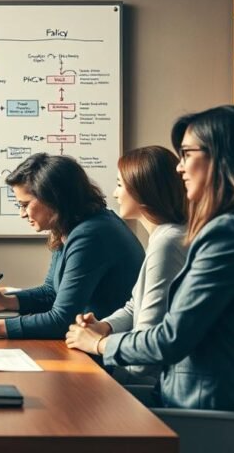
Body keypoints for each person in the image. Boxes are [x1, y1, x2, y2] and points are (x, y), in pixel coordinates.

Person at [66, 105, 234, 412]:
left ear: (223, 158)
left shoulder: (229, 236)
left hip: (194, 406)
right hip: (197, 397)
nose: (179, 168)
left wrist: (99, 344)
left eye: (186, 154)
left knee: (68, 405)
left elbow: (171, 339)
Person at [0, 153, 143, 339]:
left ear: (53, 198)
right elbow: (51, 292)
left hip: (106, 354)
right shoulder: (71, 225)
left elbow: (61, 320)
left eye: (25, 204)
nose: (22, 214)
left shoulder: (91, 235)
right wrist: (6, 301)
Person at [65, 146, 187, 385]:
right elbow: (136, 306)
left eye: (120, 184)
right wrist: (105, 326)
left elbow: (144, 359)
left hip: (152, 388)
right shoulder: (166, 237)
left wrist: (97, 344)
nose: (114, 193)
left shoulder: (168, 244)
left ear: (143, 190)